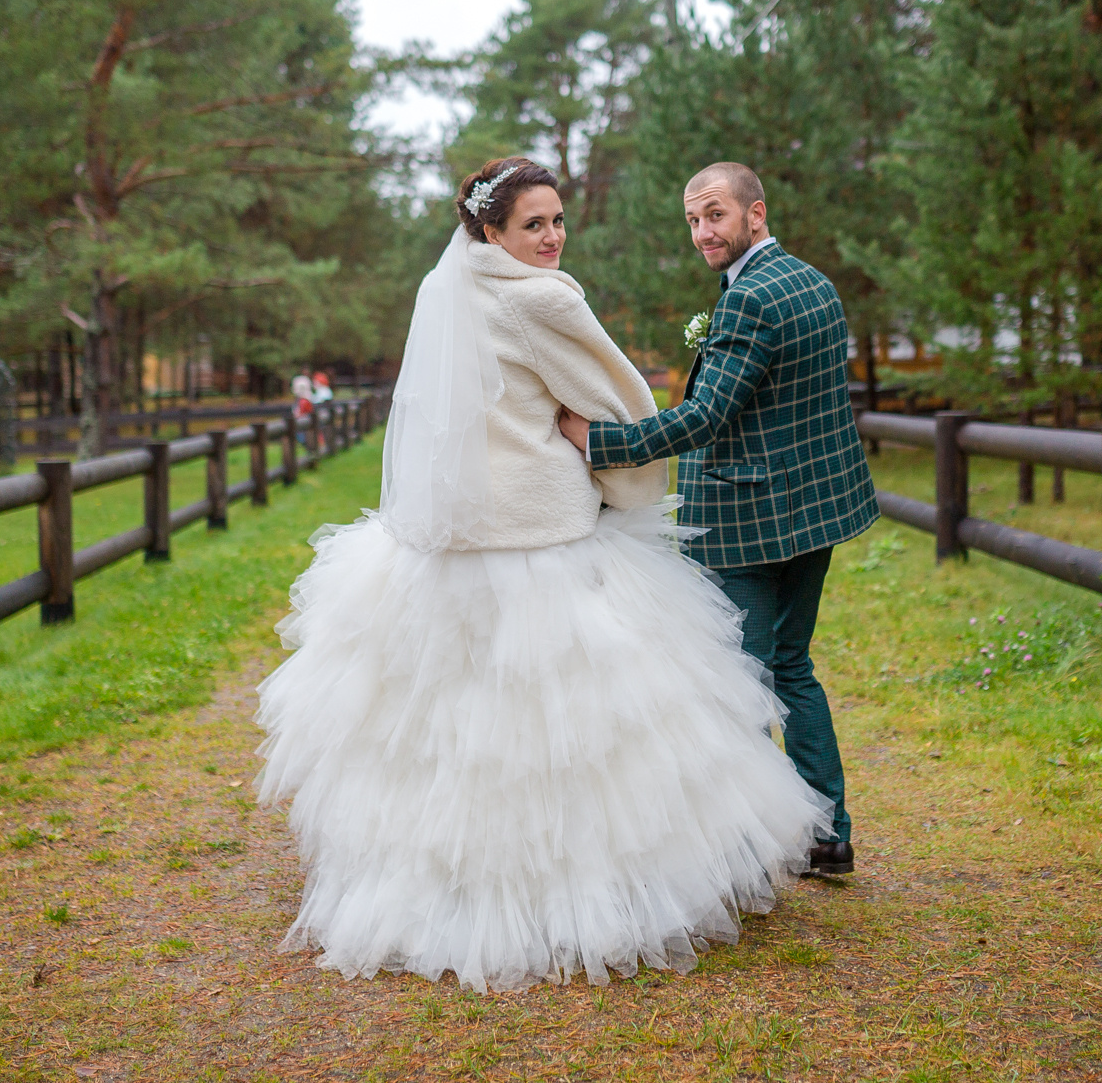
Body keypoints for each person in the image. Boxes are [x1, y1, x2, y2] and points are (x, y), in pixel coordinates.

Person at [253, 156, 829, 994]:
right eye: (534, 224)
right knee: (573, 740)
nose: (553, 236)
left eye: (558, 220)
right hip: (541, 544)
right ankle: (583, 899)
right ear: (492, 230)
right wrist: (626, 485)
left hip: (450, 551)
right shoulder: (544, 300)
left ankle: (442, 892)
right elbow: (622, 403)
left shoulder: (445, 295)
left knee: (454, 737)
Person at [559, 161, 876, 877]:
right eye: (693, 219)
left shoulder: (750, 301)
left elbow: (706, 416)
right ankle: (828, 835)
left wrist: (598, 440)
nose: (703, 231)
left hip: (747, 524)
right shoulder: (811, 281)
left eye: (716, 215)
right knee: (791, 669)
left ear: (755, 214)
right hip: (813, 514)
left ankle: (749, 848)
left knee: (738, 684)